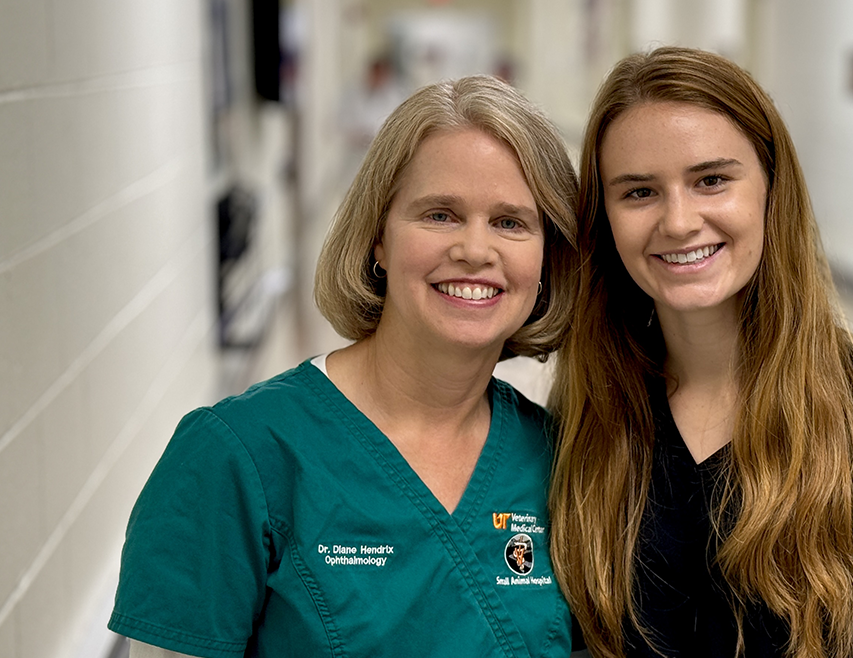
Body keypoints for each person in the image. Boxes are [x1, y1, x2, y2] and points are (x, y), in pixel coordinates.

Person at [109, 75, 578, 658]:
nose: (476, 250)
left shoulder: (563, 462)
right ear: (378, 237)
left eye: (511, 222)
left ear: (547, 257)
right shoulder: (235, 458)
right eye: (440, 215)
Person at [548, 47, 853, 658]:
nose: (679, 222)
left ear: (771, 191)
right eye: (639, 192)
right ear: (605, 218)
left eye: (711, 180)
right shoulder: (587, 417)